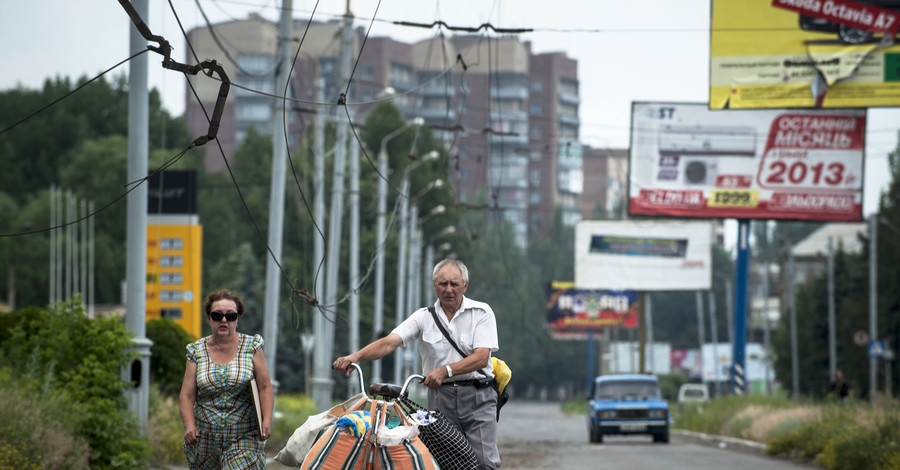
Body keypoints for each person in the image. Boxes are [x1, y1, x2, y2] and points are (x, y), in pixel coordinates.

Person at [333, 259, 500, 469]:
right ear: (434, 286)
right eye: (443, 284)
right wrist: (354, 357)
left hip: (478, 396)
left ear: (465, 286)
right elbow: (388, 343)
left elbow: (481, 357)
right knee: (445, 461)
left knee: (483, 462)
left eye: (454, 284)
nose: (448, 290)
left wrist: (444, 371)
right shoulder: (423, 317)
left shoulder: (481, 313)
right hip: (441, 399)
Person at [179, 289, 274, 469]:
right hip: (205, 441)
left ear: (237, 319)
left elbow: (264, 386)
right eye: (217, 315)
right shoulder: (196, 351)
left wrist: (267, 419)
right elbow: (187, 395)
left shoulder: (252, 346)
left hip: (243, 436)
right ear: (209, 318)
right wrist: (189, 425)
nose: (224, 320)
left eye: (230, 316)